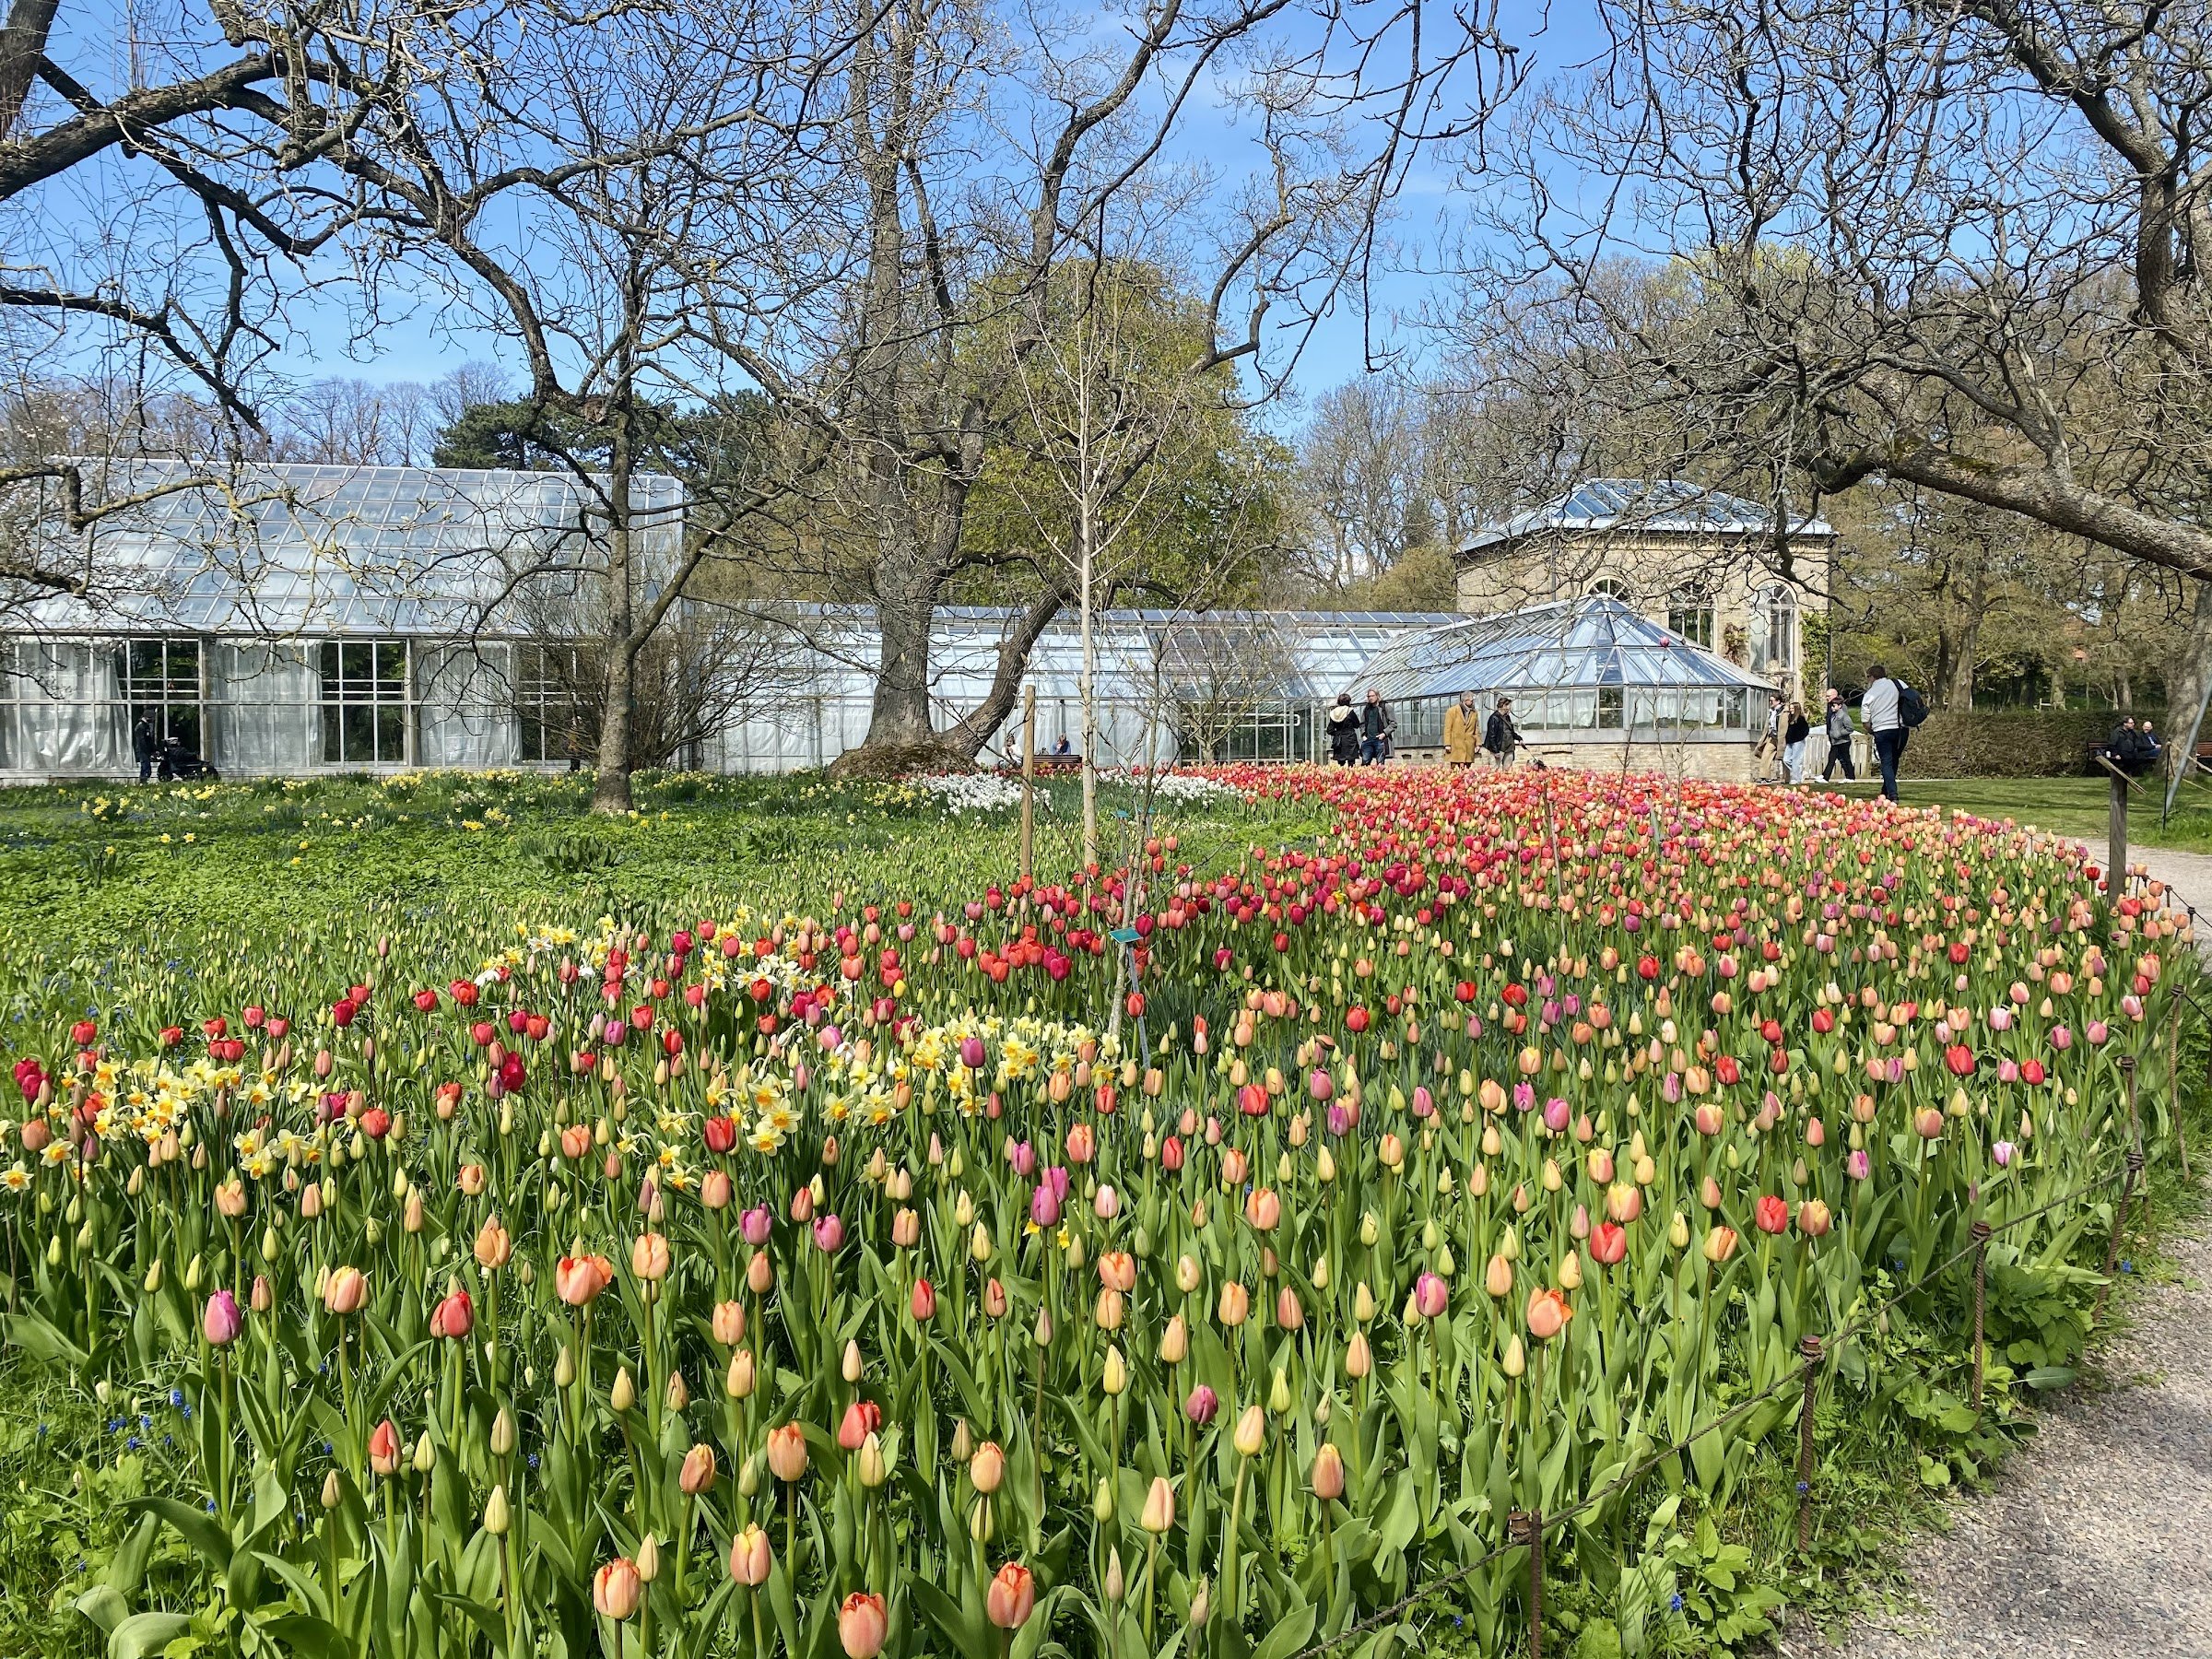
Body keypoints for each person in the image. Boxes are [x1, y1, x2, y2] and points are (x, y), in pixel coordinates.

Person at [1862, 665, 1904, 802]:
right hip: (1900, 728)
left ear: (1872, 677)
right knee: (1894, 760)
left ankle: (1893, 795)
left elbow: (1865, 722)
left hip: (1882, 729)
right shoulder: (1897, 684)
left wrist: (1871, 731)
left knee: (1886, 762)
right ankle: (1885, 791)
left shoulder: (1870, 695)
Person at [1821, 688, 1856, 780]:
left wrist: (1838, 733)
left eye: (1828, 696)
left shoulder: (1842, 712)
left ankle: (1849, 777)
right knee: (1838, 759)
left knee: (1842, 759)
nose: (1826, 698)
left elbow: (1849, 727)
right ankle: (1848, 777)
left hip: (1842, 740)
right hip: (1835, 740)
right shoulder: (1833, 711)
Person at [1442, 690, 1481, 768]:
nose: (1473, 702)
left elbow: (1476, 729)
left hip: (1469, 745)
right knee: (1455, 770)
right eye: (1472, 701)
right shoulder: (1452, 711)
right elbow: (1447, 729)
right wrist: (1447, 744)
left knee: (1467, 770)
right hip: (1456, 745)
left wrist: (1478, 743)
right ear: (1465, 700)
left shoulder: (1474, 713)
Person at [1752, 693, 1783, 781]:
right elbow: (1768, 725)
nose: (1770, 702)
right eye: (1770, 700)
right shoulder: (1771, 711)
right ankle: (1764, 776)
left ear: (1778, 701)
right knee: (1765, 755)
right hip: (1772, 737)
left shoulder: (1783, 711)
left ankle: (1788, 778)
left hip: (1781, 738)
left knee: (1784, 757)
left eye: (1772, 700)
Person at [1359, 688, 1394, 765]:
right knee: (1365, 763)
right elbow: (1362, 723)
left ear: (1377, 696)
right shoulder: (1367, 709)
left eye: (1372, 696)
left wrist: (1384, 734)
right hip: (1368, 739)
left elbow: (1393, 723)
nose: (1370, 698)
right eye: (1369, 696)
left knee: (1380, 764)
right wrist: (1363, 734)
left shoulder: (1385, 707)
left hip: (1380, 739)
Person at [1483, 696, 1520, 768]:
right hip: (1499, 748)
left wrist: (1519, 739)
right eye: (1509, 706)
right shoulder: (1494, 718)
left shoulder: (1507, 717)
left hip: (1509, 747)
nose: (1510, 708)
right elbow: (1491, 736)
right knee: (1494, 768)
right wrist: (1495, 751)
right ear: (1504, 706)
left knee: (1507, 770)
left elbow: (1511, 732)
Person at [1325, 692, 1361, 765]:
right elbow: (1357, 724)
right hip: (1350, 739)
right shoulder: (1349, 711)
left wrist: (1337, 733)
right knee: (1351, 763)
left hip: (1339, 741)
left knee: (1340, 764)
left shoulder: (1333, 712)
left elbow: (1330, 730)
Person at [1783, 701, 1810, 782]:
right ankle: (1800, 773)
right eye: (1790, 708)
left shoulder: (1800, 719)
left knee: (1796, 760)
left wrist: (1800, 737)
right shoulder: (1790, 718)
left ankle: (1796, 779)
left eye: (1792, 708)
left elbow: (1806, 730)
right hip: (1790, 742)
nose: (1791, 710)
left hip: (1798, 742)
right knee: (1786, 759)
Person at [132, 714, 156, 784]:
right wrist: (146, 749)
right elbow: (141, 741)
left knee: (146, 766)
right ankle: (143, 781)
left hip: (145, 750)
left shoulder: (145, 726)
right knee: (145, 766)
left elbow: (149, 740)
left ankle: (143, 781)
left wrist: (153, 749)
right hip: (142, 750)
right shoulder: (140, 727)